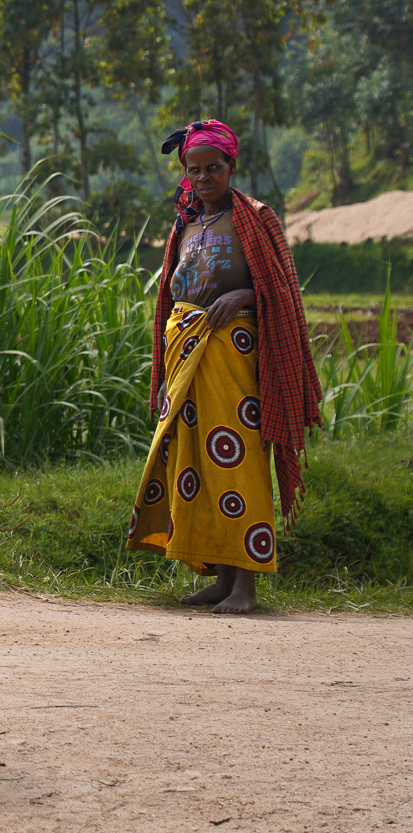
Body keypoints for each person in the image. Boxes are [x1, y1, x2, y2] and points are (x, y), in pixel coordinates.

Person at [126, 119, 321, 615]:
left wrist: (242, 295)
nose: (205, 176)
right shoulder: (185, 223)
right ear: (186, 174)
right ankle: (218, 576)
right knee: (195, 462)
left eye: (214, 167)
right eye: (196, 170)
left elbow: (281, 290)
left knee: (238, 461)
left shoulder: (256, 218)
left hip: (236, 354)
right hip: (186, 351)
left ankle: (246, 587)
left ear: (232, 166)